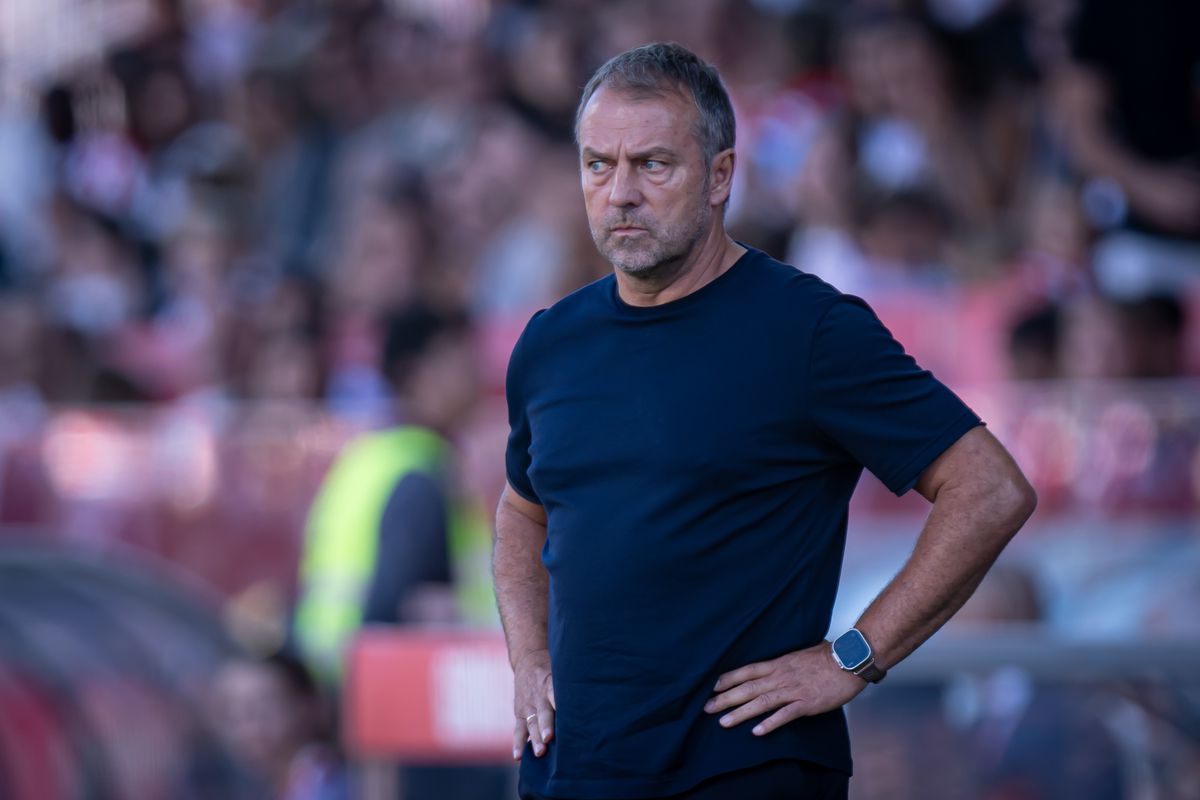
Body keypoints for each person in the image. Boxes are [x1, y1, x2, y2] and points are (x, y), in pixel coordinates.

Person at [494, 42, 1037, 800]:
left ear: (721, 176)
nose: (619, 193)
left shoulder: (809, 328)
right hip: (570, 771)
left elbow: (990, 488)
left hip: (745, 773)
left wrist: (853, 656)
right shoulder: (550, 340)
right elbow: (522, 512)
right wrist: (527, 661)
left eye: (652, 165)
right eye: (597, 165)